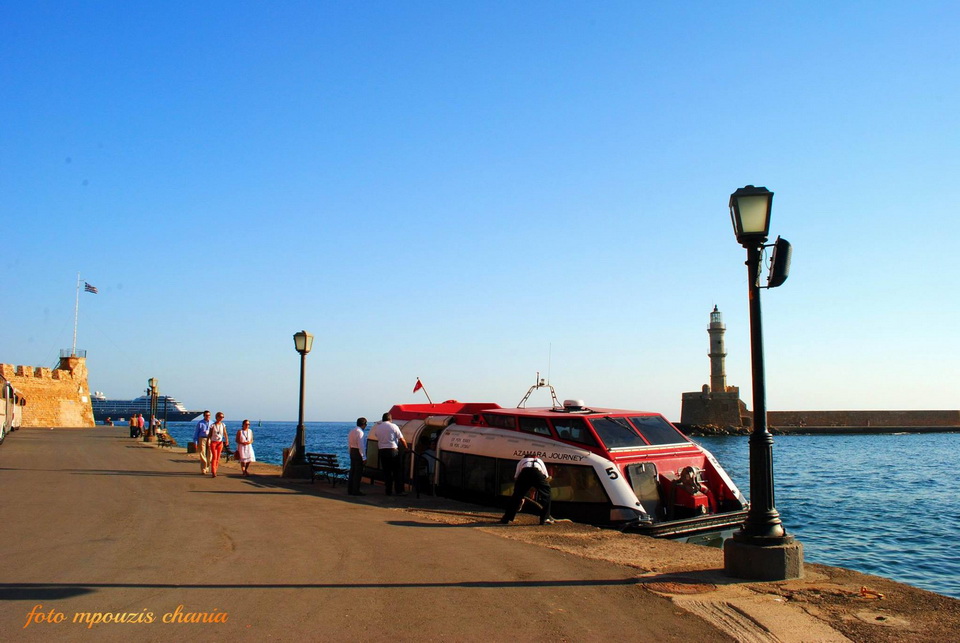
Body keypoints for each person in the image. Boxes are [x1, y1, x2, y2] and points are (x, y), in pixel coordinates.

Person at [500, 453, 554, 525]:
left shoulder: (522, 461)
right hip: (537, 473)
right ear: (535, 456)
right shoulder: (539, 461)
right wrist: (537, 489)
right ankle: (545, 518)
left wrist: (520, 492)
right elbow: (545, 476)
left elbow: (516, 476)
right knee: (547, 494)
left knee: (516, 496)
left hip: (525, 473)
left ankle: (506, 518)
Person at [373, 412, 407, 495]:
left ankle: (388, 490)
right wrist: (406, 448)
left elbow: (377, 436)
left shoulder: (378, 428)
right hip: (392, 450)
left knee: (387, 472)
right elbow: (401, 439)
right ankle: (398, 491)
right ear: (390, 419)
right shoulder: (394, 426)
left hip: (382, 451)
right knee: (397, 471)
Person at [346, 417, 367, 495]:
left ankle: (350, 489)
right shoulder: (360, 433)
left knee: (352, 471)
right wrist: (364, 457)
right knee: (358, 473)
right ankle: (356, 490)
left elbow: (349, 444)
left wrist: (350, 452)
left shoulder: (352, 431)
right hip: (358, 453)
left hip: (352, 451)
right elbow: (361, 446)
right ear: (364, 424)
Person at [208, 412, 229, 477]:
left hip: (220, 442)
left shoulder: (223, 425)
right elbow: (210, 434)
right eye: (220, 417)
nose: (221, 418)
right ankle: (213, 471)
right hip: (213, 442)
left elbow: (225, 433)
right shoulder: (212, 425)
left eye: (222, 417)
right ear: (217, 417)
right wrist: (208, 441)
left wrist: (226, 440)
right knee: (214, 456)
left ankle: (215, 470)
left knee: (218, 457)